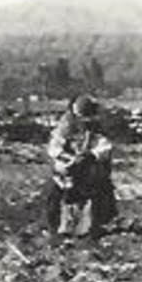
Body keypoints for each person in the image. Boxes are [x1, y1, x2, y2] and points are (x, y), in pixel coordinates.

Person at [45, 94, 117, 238]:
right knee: (54, 198)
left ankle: (94, 227)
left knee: (99, 195)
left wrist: (90, 156)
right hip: (66, 171)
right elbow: (54, 147)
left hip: (91, 171)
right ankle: (56, 229)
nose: (83, 122)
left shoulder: (98, 128)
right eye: (80, 118)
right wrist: (66, 158)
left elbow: (106, 146)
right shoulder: (65, 125)